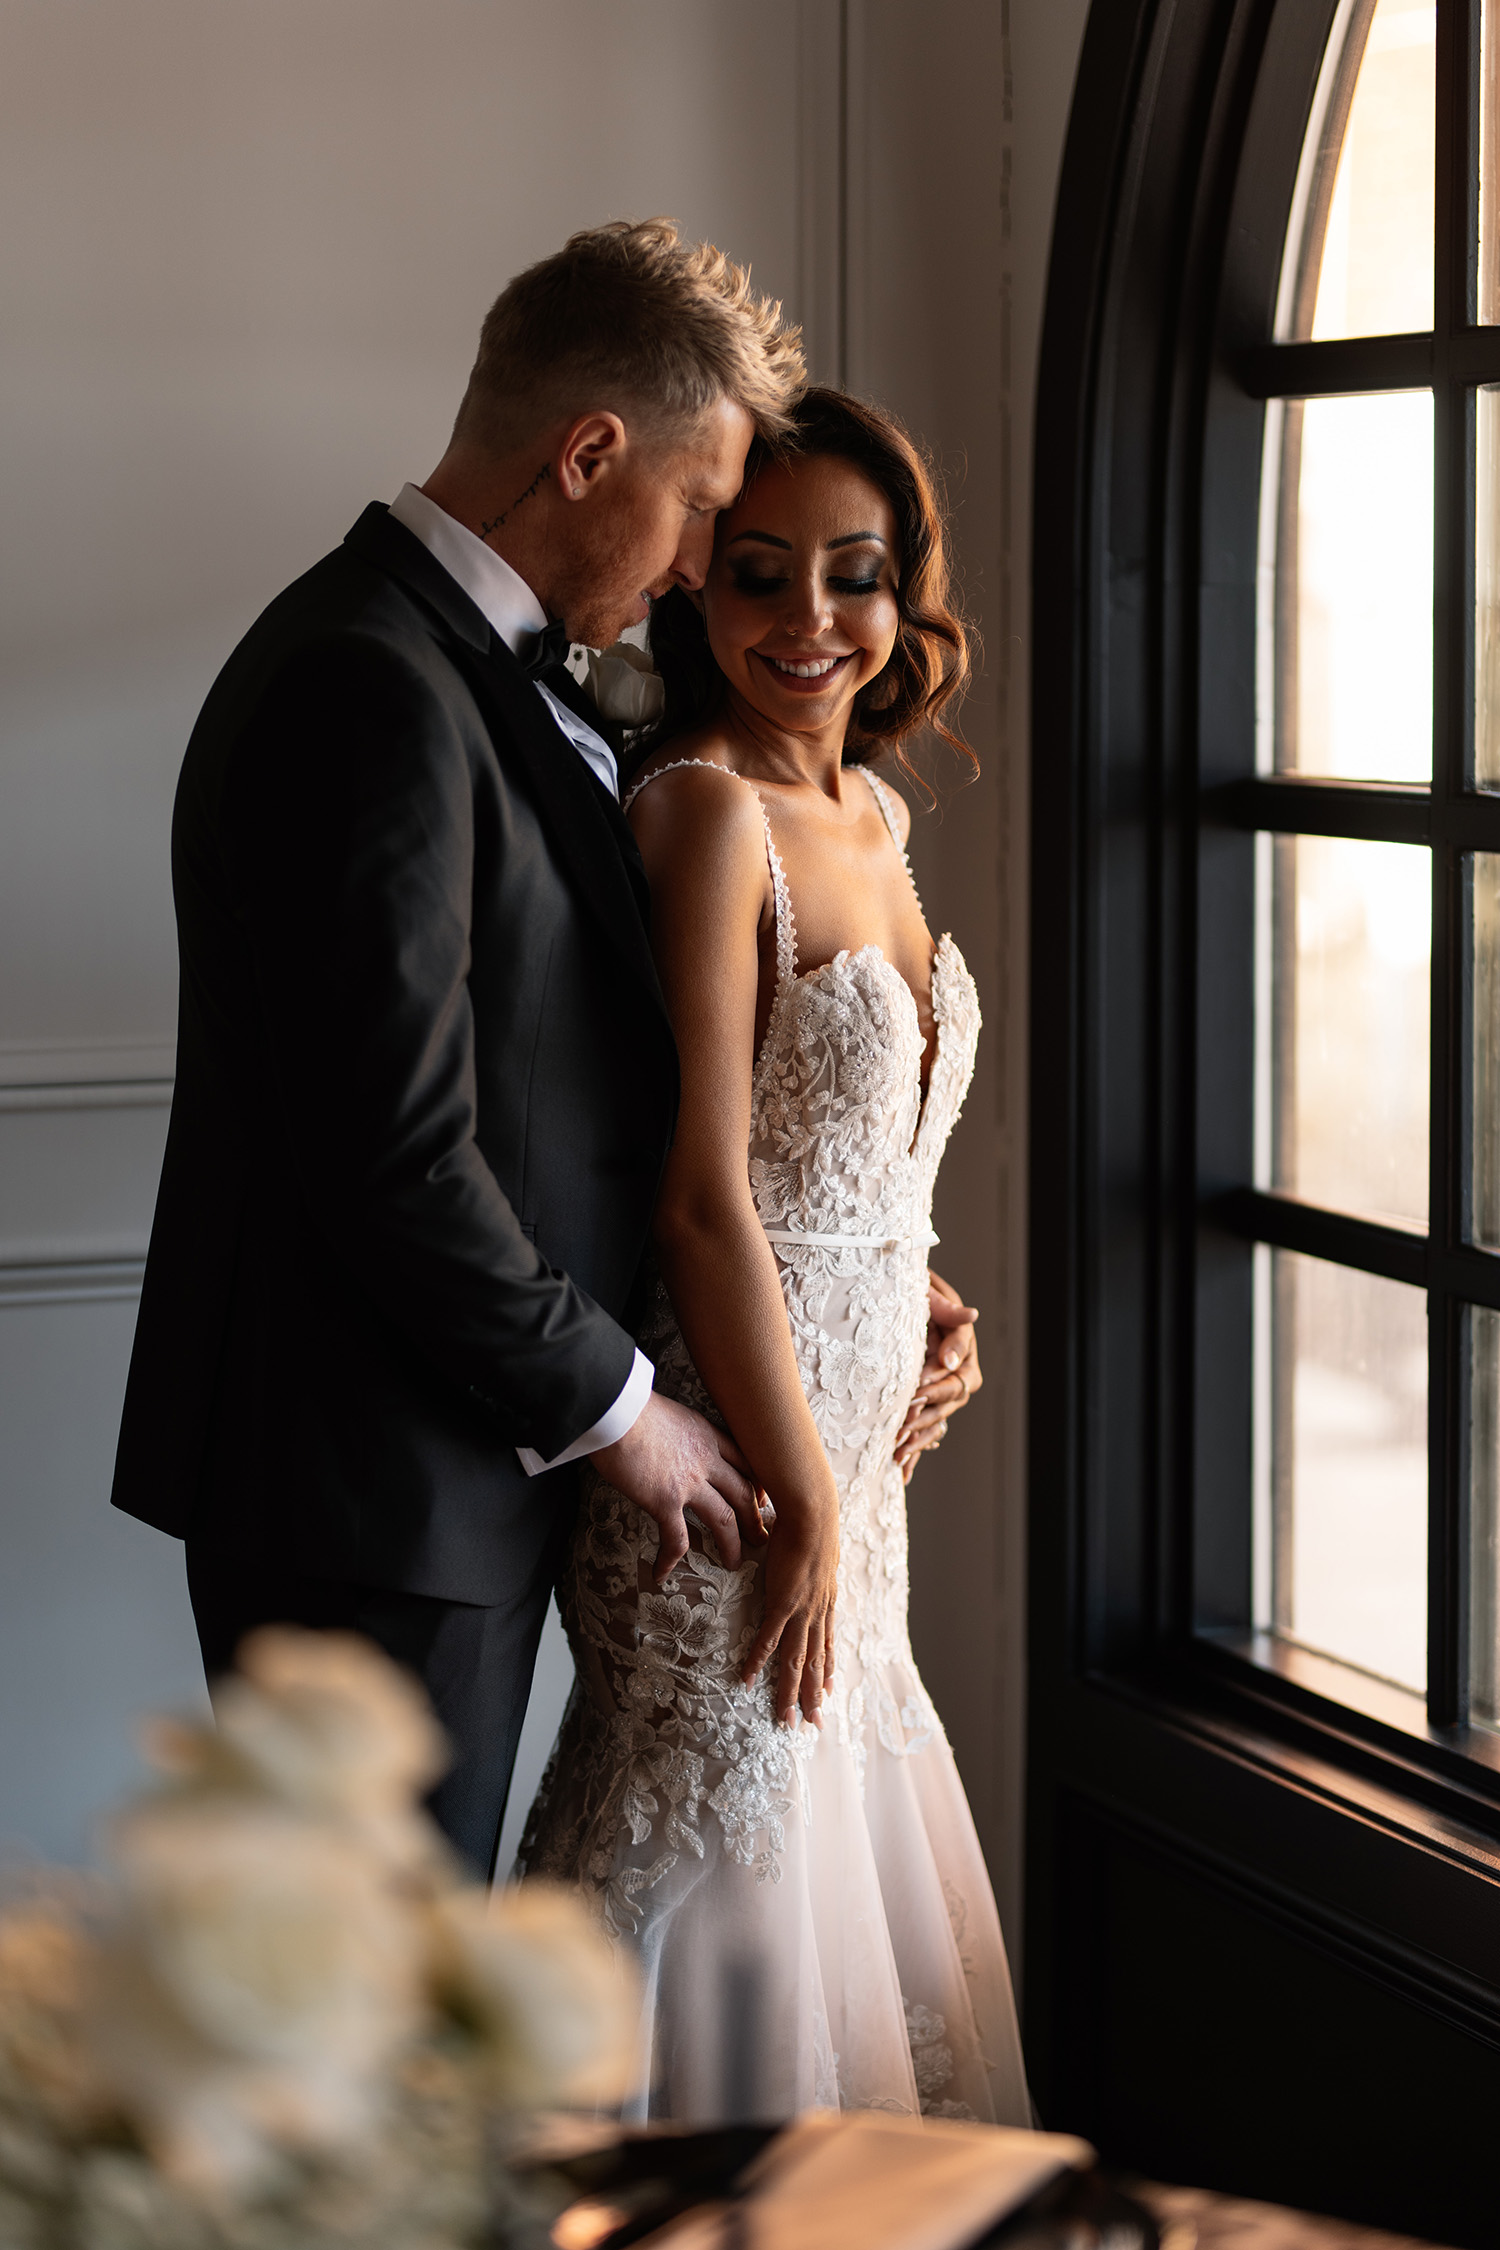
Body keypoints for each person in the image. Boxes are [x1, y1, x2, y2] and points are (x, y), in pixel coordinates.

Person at [108, 219, 804, 1878]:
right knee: (378, 2024)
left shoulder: (451, 667)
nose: (703, 564)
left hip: (433, 1477)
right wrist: (625, 1411)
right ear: (587, 455)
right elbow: (397, 1152)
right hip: (370, 1498)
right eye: (701, 509)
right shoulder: (368, 684)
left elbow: (565, 1069)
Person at [519, 388, 1030, 2125]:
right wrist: (805, 1491)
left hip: (857, 1476)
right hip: (743, 1468)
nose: (809, 621)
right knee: (728, 1852)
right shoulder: (702, 810)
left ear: (904, 598)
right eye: (758, 574)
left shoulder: (877, 818)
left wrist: (934, 1307)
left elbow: (865, 1166)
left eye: (855, 575)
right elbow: (703, 1198)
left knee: (839, 1870)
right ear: (698, 594)